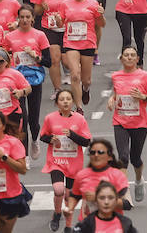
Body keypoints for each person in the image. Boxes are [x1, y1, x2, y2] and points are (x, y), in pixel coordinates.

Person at [40, 89, 92, 233]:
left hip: (73, 164)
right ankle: (57, 214)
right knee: (58, 189)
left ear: (72, 102)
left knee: (69, 196)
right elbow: (43, 136)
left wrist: (72, 135)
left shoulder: (79, 119)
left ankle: (68, 225)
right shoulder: (50, 118)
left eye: (68, 99)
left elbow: (87, 142)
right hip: (56, 161)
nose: (65, 101)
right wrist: (51, 139)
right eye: (62, 99)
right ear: (57, 103)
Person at [106, 46, 147, 201]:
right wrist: (112, 99)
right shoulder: (116, 76)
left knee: (135, 158)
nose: (129, 58)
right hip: (120, 121)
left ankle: (139, 181)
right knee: (123, 158)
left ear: (137, 59)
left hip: (139, 123)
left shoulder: (145, 76)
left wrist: (143, 96)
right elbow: (116, 92)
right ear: (121, 59)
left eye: (133, 55)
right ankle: (124, 194)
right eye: (126, 55)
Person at [0, 5, 51, 147]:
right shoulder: (9, 37)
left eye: (28, 17)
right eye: (21, 17)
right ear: (18, 18)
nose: (24, 20)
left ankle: (35, 138)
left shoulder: (40, 35)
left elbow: (49, 62)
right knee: (23, 117)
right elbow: (3, 58)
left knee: (33, 120)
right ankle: (25, 154)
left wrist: (36, 57)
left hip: (34, 80)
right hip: (17, 81)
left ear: (33, 19)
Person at [57, 0, 102, 109]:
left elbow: (101, 24)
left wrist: (101, 15)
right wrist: (58, 19)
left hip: (87, 43)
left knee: (86, 80)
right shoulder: (65, 4)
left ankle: (86, 89)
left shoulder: (93, 4)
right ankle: (79, 106)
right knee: (75, 75)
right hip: (71, 43)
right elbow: (60, 23)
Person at [70, 139, 128, 221]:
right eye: (93, 152)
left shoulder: (117, 175)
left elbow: (127, 204)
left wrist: (98, 198)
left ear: (110, 157)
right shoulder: (82, 175)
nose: (96, 155)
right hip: (87, 224)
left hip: (111, 225)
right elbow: (74, 196)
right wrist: (69, 209)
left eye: (100, 152)